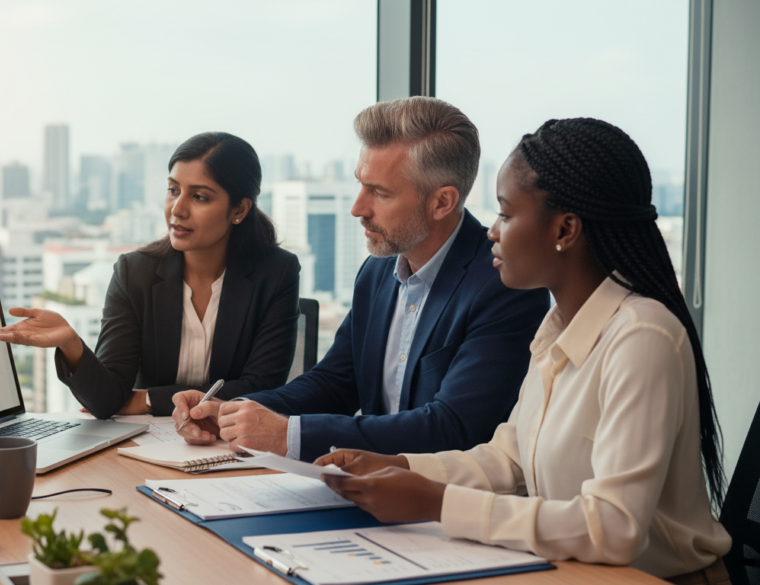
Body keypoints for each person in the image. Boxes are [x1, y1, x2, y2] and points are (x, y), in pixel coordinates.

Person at [316, 118, 732, 582]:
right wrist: (401, 467)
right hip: (569, 571)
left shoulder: (642, 337)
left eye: (506, 214)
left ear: (566, 229)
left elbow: (614, 527)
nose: (492, 231)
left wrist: (436, 502)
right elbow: (508, 459)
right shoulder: (557, 329)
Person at [172, 97, 550, 462]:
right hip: (371, 490)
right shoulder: (378, 270)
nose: (357, 208)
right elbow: (335, 382)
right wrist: (235, 411)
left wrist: (288, 435)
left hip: (443, 505)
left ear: (442, 202)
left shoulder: (504, 285)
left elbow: (454, 427)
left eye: (379, 193)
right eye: (360, 184)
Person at [0, 132, 301, 418]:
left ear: (239, 210)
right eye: (173, 190)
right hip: (146, 452)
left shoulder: (276, 273)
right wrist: (71, 344)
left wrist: (146, 400)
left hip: (231, 447)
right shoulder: (135, 272)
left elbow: (260, 391)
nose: (178, 209)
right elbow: (107, 402)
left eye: (199, 196)